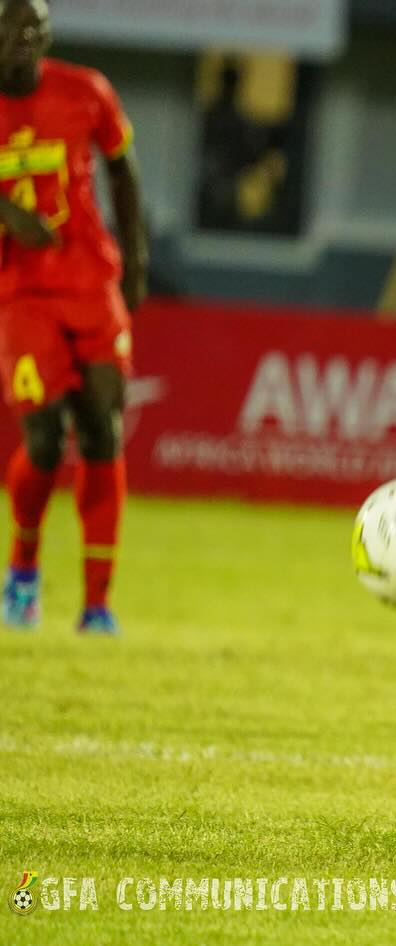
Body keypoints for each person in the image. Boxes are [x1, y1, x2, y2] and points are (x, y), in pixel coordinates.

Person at [0, 0, 147, 634]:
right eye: (10, 27)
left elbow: (123, 171)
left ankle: (97, 606)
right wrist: (7, 213)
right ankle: (22, 572)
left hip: (90, 280)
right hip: (20, 291)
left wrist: (135, 262)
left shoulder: (87, 91)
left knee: (103, 432)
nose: (23, 38)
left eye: (35, 28)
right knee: (43, 438)